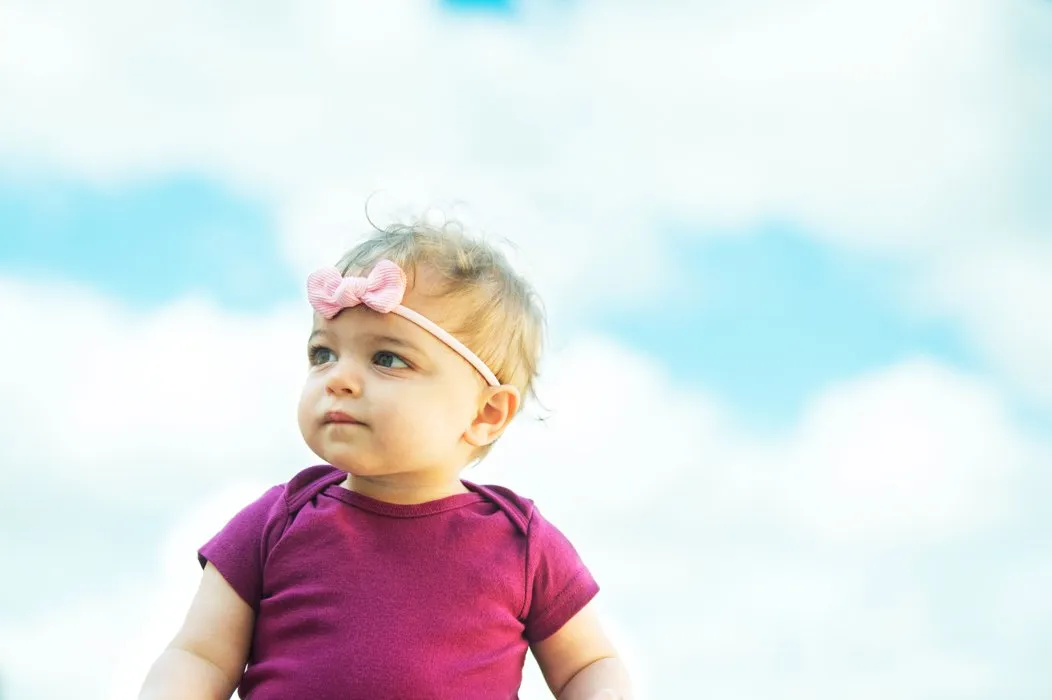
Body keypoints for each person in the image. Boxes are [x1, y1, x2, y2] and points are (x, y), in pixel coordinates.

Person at [138, 218, 632, 699]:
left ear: (485, 413)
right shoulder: (273, 524)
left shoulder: (523, 545)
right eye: (323, 354)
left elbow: (588, 665)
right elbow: (199, 655)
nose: (337, 378)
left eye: (387, 359)